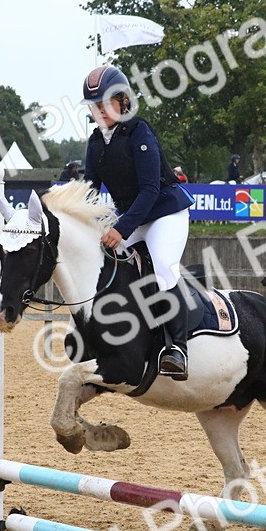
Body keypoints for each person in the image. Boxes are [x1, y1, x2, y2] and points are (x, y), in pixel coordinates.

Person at [80, 65, 195, 379]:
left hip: (164, 213)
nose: (99, 111)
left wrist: (119, 229)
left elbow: (149, 190)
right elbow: (89, 191)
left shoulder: (139, 131)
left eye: (105, 103)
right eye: (95, 106)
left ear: (123, 101)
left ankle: (178, 348)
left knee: (161, 265)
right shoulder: (94, 142)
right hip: (132, 217)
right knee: (105, 264)